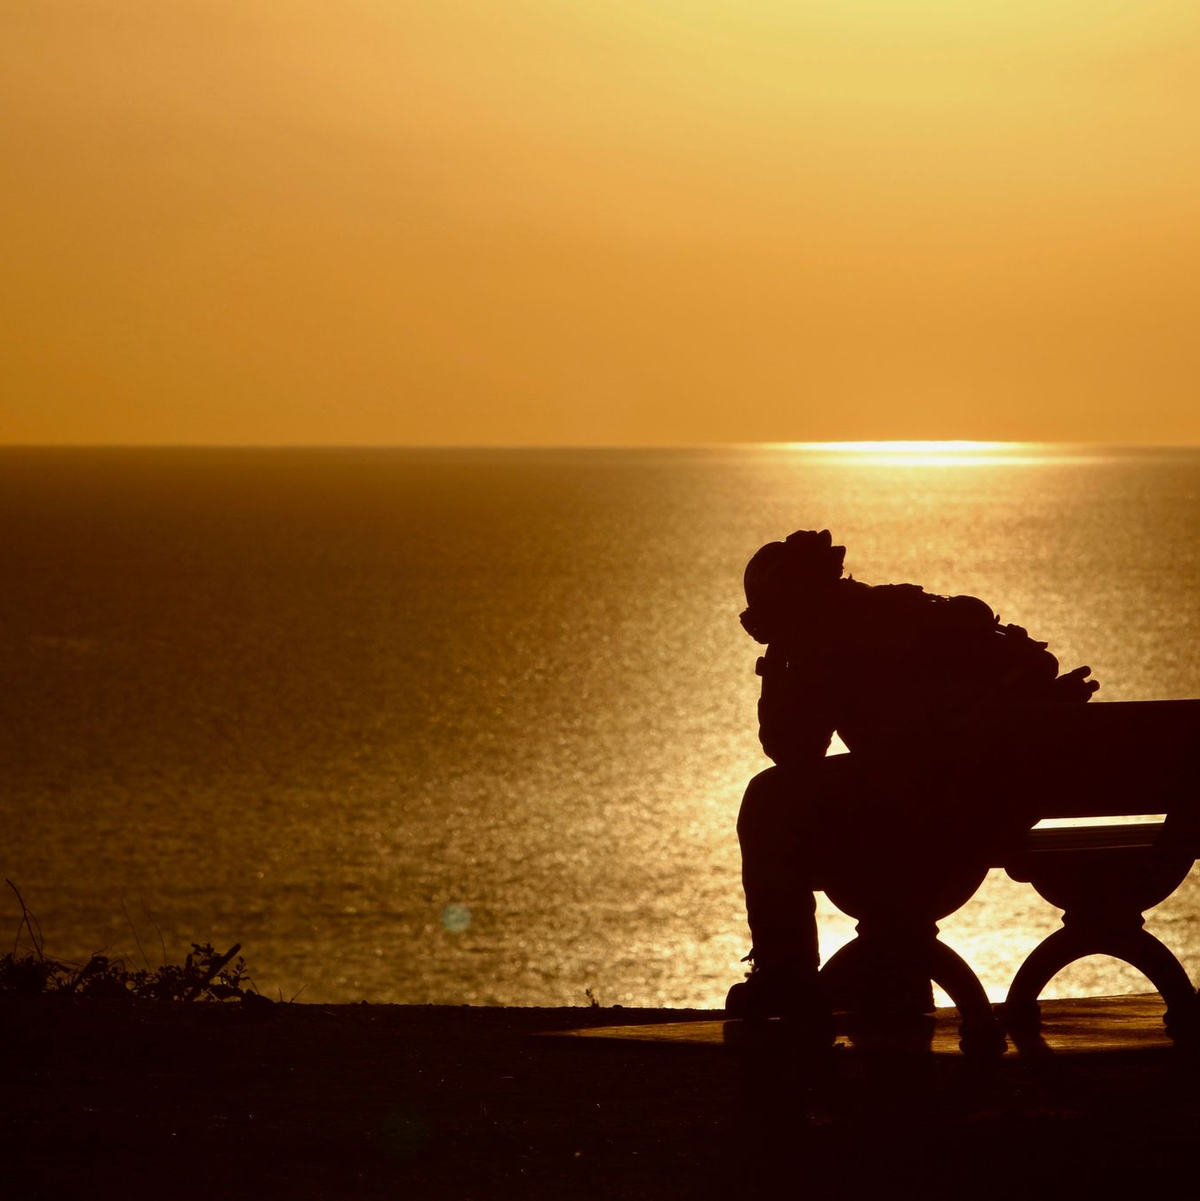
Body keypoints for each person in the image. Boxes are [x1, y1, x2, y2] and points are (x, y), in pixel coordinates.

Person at [726, 529, 1099, 1022]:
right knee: (879, 797)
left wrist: (776, 667)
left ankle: (785, 972)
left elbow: (792, 750)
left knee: (767, 799)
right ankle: (891, 980)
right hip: (996, 811)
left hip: (928, 820)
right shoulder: (908, 612)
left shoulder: (831, 634)